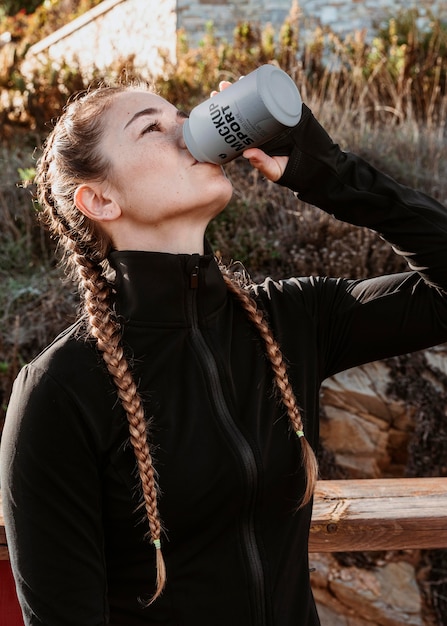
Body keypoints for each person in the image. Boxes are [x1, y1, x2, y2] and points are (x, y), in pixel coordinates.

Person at [1, 72, 447, 626]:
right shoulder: (61, 390)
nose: (187, 133)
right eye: (151, 129)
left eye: (183, 119)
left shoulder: (291, 320)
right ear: (100, 199)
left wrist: (326, 171)